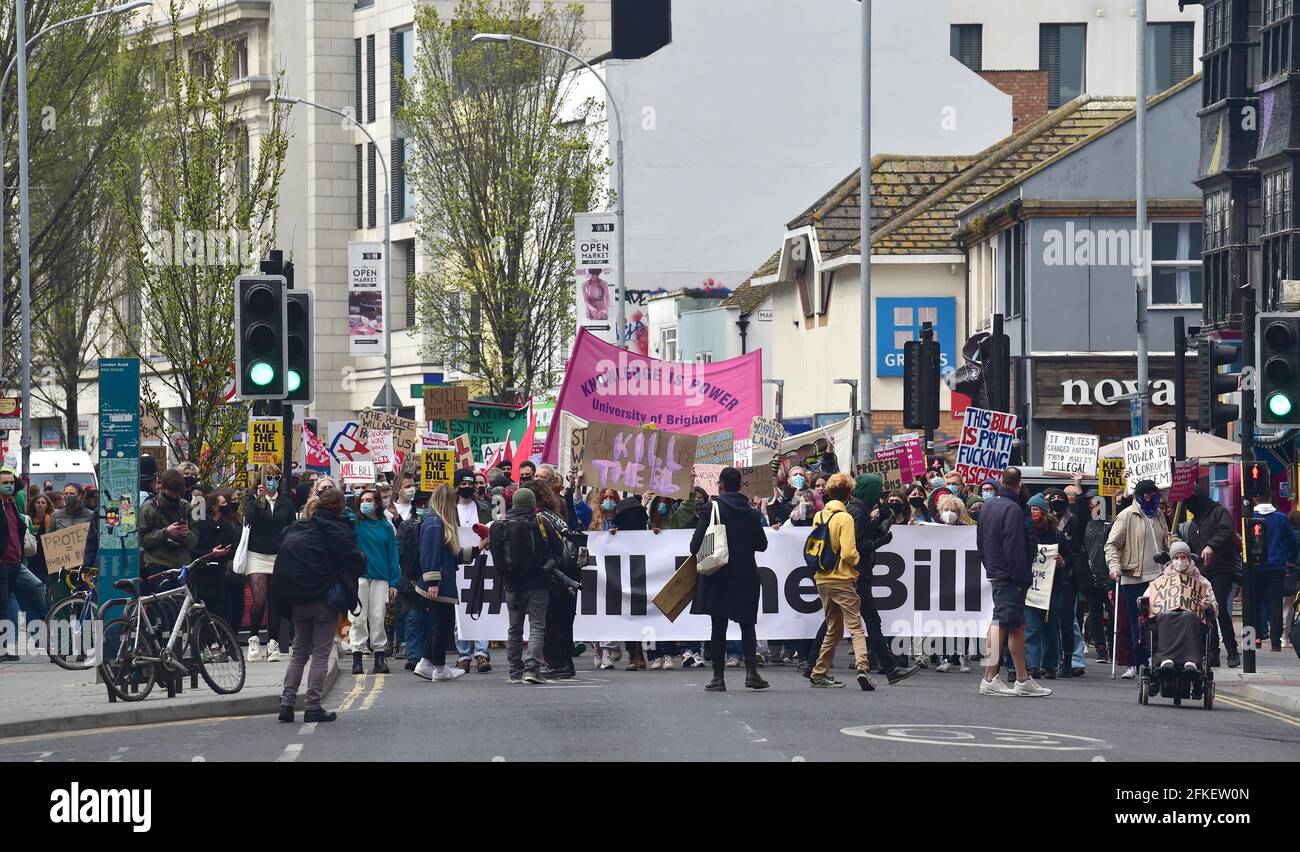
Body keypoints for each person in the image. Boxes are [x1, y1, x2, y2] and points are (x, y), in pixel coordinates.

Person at [273, 487, 366, 723]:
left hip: (296, 600)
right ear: (339, 507)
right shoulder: (337, 529)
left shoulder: (297, 527)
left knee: (299, 653)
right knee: (321, 655)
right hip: (324, 600)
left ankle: (287, 704)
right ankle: (313, 706)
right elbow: (356, 561)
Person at [688, 466, 769, 692]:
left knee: (718, 626)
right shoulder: (751, 512)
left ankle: (718, 677)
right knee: (747, 625)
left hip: (718, 575)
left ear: (720, 486)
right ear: (741, 486)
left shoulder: (712, 509)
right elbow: (762, 545)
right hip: (745, 575)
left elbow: (694, 546)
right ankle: (752, 673)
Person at [976, 467, 1052, 697]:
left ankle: (1022, 678)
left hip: (997, 570)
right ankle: (990, 677)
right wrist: (1020, 578)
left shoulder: (988, 506)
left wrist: (990, 565)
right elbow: (1014, 547)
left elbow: (980, 542)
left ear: (1000, 481)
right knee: (1002, 623)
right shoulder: (1013, 509)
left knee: (1014, 624)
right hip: (1010, 574)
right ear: (1019, 484)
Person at [806, 473, 875, 690]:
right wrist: (856, 560)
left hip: (822, 578)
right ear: (849, 494)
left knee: (833, 628)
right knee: (855, 626)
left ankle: (819, 672)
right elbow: (848, 553)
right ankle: (862, 667)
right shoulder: (844, 518)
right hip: (842, 579)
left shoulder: (820, 516)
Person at [414, 485, 486, 681]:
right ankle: (439, 668)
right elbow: (430, 555)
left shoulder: (435, 522)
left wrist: (478, 548)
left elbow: (452, 556)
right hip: (440, 583)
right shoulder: (435, 523)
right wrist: (433, 582)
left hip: (439, 582)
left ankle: (426, 663)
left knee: (439, 624)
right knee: (442, 626)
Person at [1105, 479, 1171, 679]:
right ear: (1140, 497)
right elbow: (1112, 545)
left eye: (1156, 496)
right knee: (1139, 624)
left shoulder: (1160, 516)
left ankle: (1157, 659)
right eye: (1149, 496)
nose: (1153, 500)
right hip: (1135, 578)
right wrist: (1114, 567)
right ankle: (1141, 662)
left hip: (1159, 578)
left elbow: (1164, 542)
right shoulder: (1126, 516)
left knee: (1160, 622)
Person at [489, 488, 553, 684]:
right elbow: (553, 550)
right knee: (536, 627)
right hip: (536, 582)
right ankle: (532, 668)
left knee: (514, 628)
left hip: (511, 584)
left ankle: (514, 670)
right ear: (532, 504)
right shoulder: (538, 523)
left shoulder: (502, 525)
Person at [241, 465, 296, 663]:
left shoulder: (285, 503)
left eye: (276, 478)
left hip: (277, 555)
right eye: (269, 477)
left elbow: (290, 526)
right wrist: (258, 501)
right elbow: (250, 519)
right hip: (257, 554)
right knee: (259, 599)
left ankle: (272, 642)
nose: (272, 481)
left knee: (275, 600)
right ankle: (254, 639)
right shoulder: (250, 499)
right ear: (261, 480)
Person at [1182, 485, 1240, 667]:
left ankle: (1232, 651)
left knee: (1219, 608)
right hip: (1202, 572)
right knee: (1206, 611)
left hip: (1221, 568)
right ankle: (1212, 652)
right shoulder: (1193, 523)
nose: (1190, 508)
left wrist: (1211, 545)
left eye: (1191, 504)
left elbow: (1226, 531)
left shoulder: (1219, 512)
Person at [1142, 540, 1218, 672]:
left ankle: (1192, 660)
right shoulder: (1161, 580)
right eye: (1176, 558)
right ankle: (1165, 658)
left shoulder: (1202, 582)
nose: (1180, 560)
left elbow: (1215, 607)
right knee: (1166, 615)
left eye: (1183, 557)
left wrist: (1208, 606)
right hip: (1167, 614)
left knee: (1188, 616)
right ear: (1172, 560)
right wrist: (1143, 602)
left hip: (1192, 617)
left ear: (1189, 559)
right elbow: (1147, 597)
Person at [349, 486, 400, 674]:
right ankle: (357, 656)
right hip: (359, 577)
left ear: (377, 503)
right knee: (357, 619)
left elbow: (393, 556)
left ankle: (379, 656)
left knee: (378, 618)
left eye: (369, 500)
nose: (365, 504)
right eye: (362, 500)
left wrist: (394, 582)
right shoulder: (354, 522)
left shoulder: (386, 526)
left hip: (380, 577)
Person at [451, 468, 492, 673]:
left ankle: (482, 654)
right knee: (460, 610)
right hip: (458, 562)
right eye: (463, 484)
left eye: (470, 484)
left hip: (481, 561)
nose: (467, 487)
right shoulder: (449, 509)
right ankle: (463, 654)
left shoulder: (483, 507)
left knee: (481, 606)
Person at [1023, 493, 1066, 680]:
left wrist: (1062, 562)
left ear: (1043, 511)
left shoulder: (1056, 534)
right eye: (1030, 509)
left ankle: (1050, 665)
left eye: (1035, 509)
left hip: (1053, 588)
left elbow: (1070, 560)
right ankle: (1033, 665)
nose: (1032, 513)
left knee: (1050, 627)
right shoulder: (1023, 532)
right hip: (1031, 587)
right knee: (1032, 627)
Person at [138, 469, 199, 594]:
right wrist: (166, 533)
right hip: (159, 565)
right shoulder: (149, 508)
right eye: (171, 494)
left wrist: (186, 534)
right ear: (161, 487)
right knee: (167, 608)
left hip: (182, 566)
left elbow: (194, 540)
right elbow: (141, 539)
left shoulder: (185, 507)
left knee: (186, 607)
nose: (174, 498)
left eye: (178, 495)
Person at [1250, 495, 1298, 653]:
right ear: (1270, 497)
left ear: (1254, 498)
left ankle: (1255, 638)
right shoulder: (1281, 518)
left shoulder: (1249, 515)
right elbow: (1292, 542)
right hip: (1277, 565)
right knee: (1275, 604)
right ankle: (1275, 643)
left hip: (1255, 566)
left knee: (1254, 603)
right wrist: (1290, 559)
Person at [396, 490, 433, 672]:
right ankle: (413, 655)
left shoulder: (435, 525)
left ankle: (426, 655)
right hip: (409, 579)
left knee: (427, 619)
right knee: (412, 618)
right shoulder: (406, 526)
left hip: (427, 578)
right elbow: (400, 551)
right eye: (419, 505)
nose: (423, 508)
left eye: (426, 504)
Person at [193, 493, 240, 627]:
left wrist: (224, 553)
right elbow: (192, 550)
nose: (227, 506)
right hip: (202, 575)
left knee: (221, 610)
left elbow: (233, 549)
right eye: (224, 503)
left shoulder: (227, 524)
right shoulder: (200, 524)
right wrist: (211, 553)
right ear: (214, 507)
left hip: (220, 574)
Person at [0, 468, 27, 661]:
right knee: (2, 605)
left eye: (11, 482)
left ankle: (7, 646)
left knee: (8, 604)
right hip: (2, 562)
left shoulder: (11, 504)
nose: (9, 486)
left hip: (14, 561)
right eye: (5, 483)